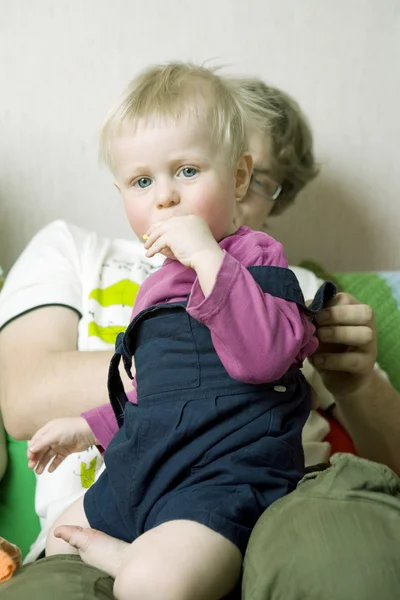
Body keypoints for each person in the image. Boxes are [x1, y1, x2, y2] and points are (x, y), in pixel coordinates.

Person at [0, 73, 399, 599]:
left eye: (193, 171)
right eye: (147, 178)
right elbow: (133, 397)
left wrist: (356, 380)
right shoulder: (89, 256)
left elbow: (258, 359)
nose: (170, 197)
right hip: (136, 485)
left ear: (242, 179)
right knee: (62, 546)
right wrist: (90, 423)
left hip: (259, 494)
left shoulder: (284, 280)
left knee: (338, 554)